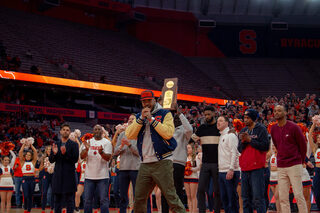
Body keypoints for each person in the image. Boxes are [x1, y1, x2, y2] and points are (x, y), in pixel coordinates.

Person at [125, 90, 185, 213]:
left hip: (162, 161)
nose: (146, 103)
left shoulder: (165, 113)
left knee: (170, 196)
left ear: (154, 100)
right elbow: (129, 134)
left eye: (148, 100)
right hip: (145, 163)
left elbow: (168, 133)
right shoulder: (138, 117)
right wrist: (141, 118)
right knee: (139, 198)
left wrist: (151, 119)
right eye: (143, 101)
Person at [270, 105, 307, 213]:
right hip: (281, 166)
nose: (276, 113)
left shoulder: (294, 127)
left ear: (285, 113)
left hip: (294, 164)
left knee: (298, 195)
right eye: (275, 111)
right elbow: (276, 145)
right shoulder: (273, 129)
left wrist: (301, 160)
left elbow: (302, 145)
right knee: (283, 197)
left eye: (279, 110)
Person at [161, 105, 193, 213]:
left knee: (177, 191)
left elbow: (190, 129)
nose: (174, 118)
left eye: (176, 117)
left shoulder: (184, 131)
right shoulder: (166, 129)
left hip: (178, 163)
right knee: (164, 191)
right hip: (165, 163)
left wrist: (180, 113)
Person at [238, 109, 270, 213]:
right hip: (245, 167)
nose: (245, 120)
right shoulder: (243, 130)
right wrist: (243, 142)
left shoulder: (261, 129)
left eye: (247, 118)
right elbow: (239, 149)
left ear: (253, 118)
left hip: (257, 168)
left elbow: (265, 146)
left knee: (258, 197)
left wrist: (250, 140)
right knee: (245, 198)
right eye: (244, 118)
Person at [192, 105, 221, 213]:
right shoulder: (202, 128)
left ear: (214, 113)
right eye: (205, 115)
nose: (207, 116)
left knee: (217, 191)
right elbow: (191, 140)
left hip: (217, 163)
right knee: (200, 190)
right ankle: (202, 211)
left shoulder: (219, 128)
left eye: (209, 114)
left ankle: (217, 210)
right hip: (205, 163)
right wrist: (194, 153)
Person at [80, 124, 112, 213]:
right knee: (87, 201)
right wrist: (86, 149)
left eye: (99, 129)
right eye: (95, 129)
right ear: (93, 131)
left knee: (103, 201)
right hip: (89, 176)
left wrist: (101, 153)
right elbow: (82, 156)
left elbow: (108, 158)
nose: (97, 131)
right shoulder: (88, 141)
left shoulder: (107, 142)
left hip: (103, 177)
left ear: (102, 131)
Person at [49, 123, 79, 213]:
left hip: (69, 175)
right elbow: (51, 160)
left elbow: (75, 160)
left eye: (67, 130)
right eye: (64, 129)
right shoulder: (56, 144)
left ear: (70, 132)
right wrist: (54, 154)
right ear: (60, 131)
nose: (65, 131)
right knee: (57, 200)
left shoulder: (74, 145)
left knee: (70, 200)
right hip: (58, 175)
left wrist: (65, 154)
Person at [114, 114, 141, 213]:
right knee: (122, 195)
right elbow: (115, 152)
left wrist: (129, 145)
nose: (130, 120)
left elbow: (139, 153)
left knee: (136, 194)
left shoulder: (139, 134)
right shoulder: (122, 134)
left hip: (136, 168)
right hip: (123, 168)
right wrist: (121, 146)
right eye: (129, 119)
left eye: (132, 119)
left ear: (137, 121)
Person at [217, 116, 240, 213]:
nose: (218, 122)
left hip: (230, 170)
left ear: (227, 123)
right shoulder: (221, 136)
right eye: (217, 121)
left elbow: (234, 152)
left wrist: (231, 169)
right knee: (225, 199)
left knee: (231, 199)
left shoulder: (231, 135)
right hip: (222, 170)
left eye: (221, 121)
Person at [19, 143, 38, 213]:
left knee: (30, 195)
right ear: (25, 156)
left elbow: (35, 152)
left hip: (32, 179)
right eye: (26, 155)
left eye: (29, 155)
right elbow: (20, 152)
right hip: (25, 179)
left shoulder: (33, 162)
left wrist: (31, 145)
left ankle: (28, 210)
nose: (28, 156)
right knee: (26, 195)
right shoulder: (22, 162)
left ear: (31, 156)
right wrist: (24, 145)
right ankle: (25, 208)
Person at [184, 143, 201, 213]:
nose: (187, 149)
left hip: (193, 177)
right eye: (187, 148)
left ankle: (194, 211)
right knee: (188, 196)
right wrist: (185, 169)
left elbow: (199, 168)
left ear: (192, 149)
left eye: (189, 148)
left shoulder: (196, 157)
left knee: (193, 195)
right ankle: (190, 211)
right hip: (185, 177)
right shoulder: (185, 157)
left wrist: (190, 168)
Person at [308, 122, 320, 209]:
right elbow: (309, 136)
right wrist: (314, 124)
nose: (319, 139)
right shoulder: (315, 148)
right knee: (316, 191)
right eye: (318, 137)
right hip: (317, 170)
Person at [39, 145, 54, 213]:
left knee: (53, 192)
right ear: (46, 150)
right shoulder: (44, 158)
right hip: (46, 175)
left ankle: (52, 208)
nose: (49, 150)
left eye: (50, 149)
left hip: (53, 175)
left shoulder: (55, 157)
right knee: (44, 192)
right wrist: (45, 166)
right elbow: (40, 169)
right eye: (48, 149)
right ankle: (43, 209)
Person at [269, 144, 280, 212]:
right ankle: (279, 211)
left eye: (274, 146)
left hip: (278, 178)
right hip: (272, 178)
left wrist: (274, 168)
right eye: (272, 146)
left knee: (277, 196)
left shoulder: (281, 155)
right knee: (277, 198)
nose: (273, 147)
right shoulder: (272, 155)